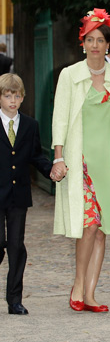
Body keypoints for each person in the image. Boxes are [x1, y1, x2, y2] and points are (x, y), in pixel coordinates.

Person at [52, 8, 110, 313]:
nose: (94, 45)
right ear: (83, 43)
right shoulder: (70, 76)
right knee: (88, 225)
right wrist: (59, 156)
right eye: (89, 39)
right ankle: (78, 283)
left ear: (109, 44)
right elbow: (60, 118)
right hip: (81, 161)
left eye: (100, 40)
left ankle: (90, 294)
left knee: (102, 228)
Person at [0, 74, 57, 315]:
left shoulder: (30, 125)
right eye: (7, 95)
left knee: (16, 246)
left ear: (22, 98)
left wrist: (51, 169)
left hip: (18, 196)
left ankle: (14, 300)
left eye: (16, 95)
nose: (12, 100)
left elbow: (36, 156)